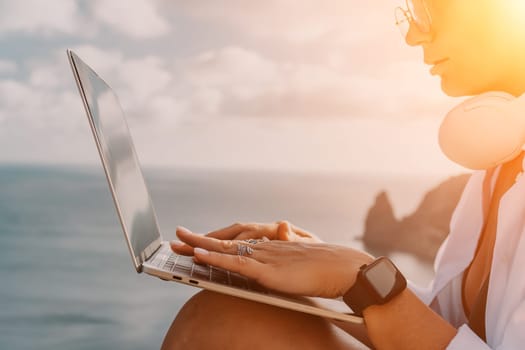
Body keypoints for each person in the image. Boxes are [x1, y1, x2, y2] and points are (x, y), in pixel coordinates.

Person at [161, 1, 525, 349]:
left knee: (219, 325)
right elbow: (450, 325)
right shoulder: (496, 166)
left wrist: (360, 276)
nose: (414, 36)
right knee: (230, 315)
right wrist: (324, 261)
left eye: (427, 9)